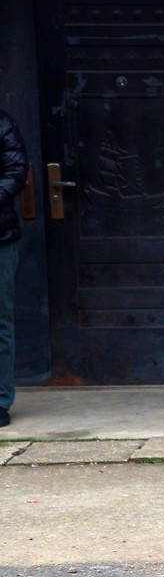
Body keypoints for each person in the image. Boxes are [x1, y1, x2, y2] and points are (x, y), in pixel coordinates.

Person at [0, 110, 29, 428]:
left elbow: (16, 169)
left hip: (0, 238)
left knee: (0, 323)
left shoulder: (3, 123)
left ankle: (0, 400)